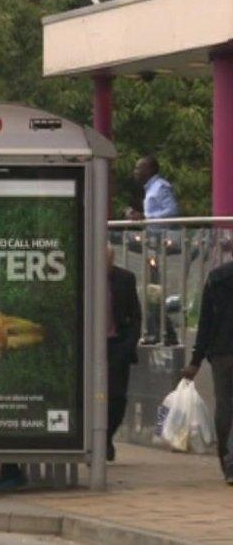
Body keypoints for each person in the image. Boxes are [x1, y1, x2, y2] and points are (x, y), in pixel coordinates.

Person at [181, 258, 233, 485]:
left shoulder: (216, 278)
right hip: (222, 352)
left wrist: (195, 361)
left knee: (224, 407)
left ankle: (227, 461)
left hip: (222, 354)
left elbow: (206, 324)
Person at [125, 155, 179, 345]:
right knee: (152, 289)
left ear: (150, 170)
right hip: (152, 244)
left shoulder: (160, 187)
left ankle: (160, 332)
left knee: (154, 290)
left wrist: (145, 217)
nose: (135, 172)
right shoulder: (149, 190)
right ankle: (163, 332)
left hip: (161, 245)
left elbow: (171, 211)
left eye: (139, 168)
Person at [106, 244, 142, 462]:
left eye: (108, 261)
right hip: (91, 346)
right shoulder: (84, 276)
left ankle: (106, 435)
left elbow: (135, 314)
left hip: (117, 344)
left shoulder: (125, 279)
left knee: (117, 397)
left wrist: (129, 345)